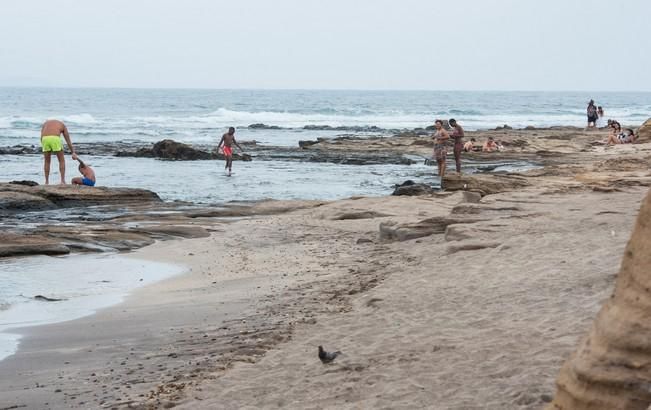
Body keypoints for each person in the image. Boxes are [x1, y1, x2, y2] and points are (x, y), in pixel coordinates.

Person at [40, 119, 77, 184]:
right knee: (61, 160)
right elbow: (68, 140)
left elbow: (41, 137)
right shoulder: (62, 125)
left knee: (47, 161)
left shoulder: (45, 123)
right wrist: (73, 152)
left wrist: (43, 145)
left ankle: (46, 181)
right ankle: (62, 181)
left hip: (44, 139)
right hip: (55, 138)